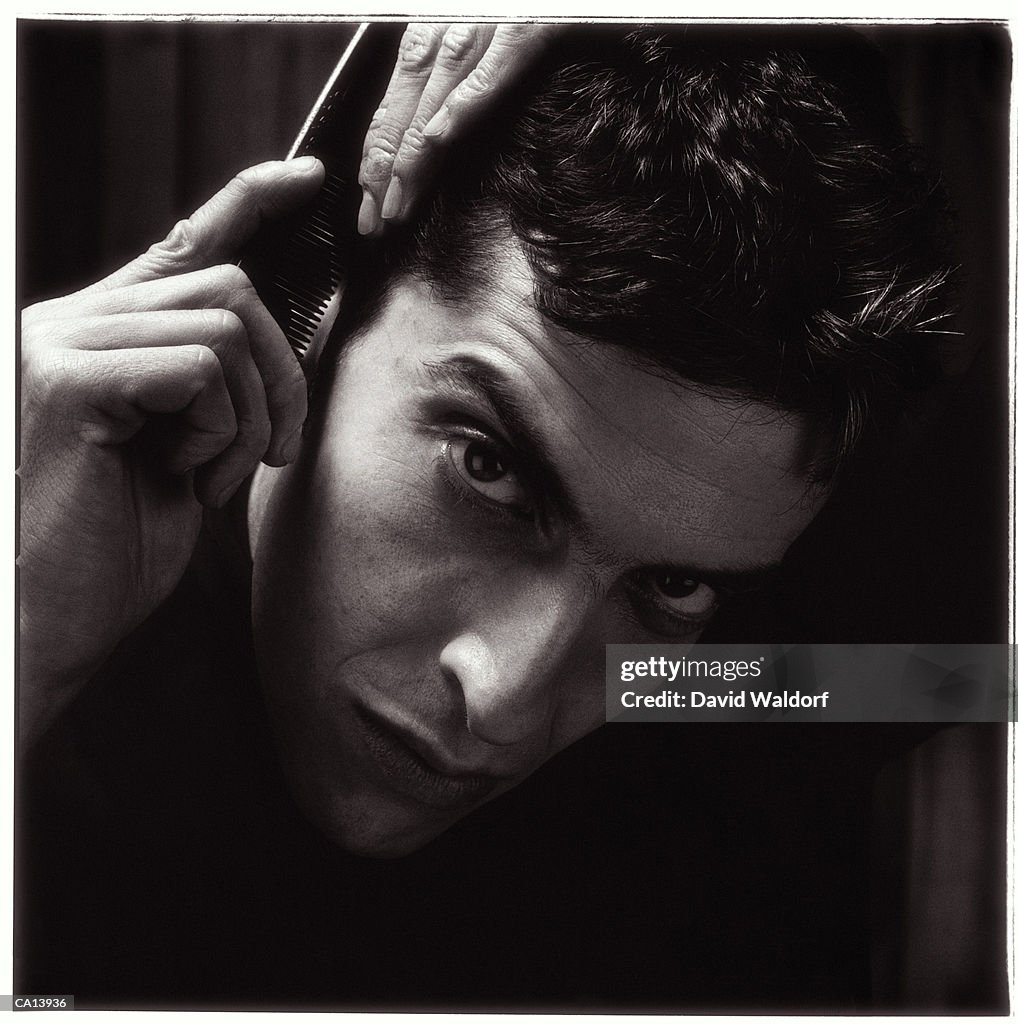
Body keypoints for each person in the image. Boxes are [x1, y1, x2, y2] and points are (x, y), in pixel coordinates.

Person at [16, 22, 1005, 1010]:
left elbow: (959, 677)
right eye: (488, 470)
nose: (503, 701)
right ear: (312, 311)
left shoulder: (705, 693)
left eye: (672, 584)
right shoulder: (51, 658)